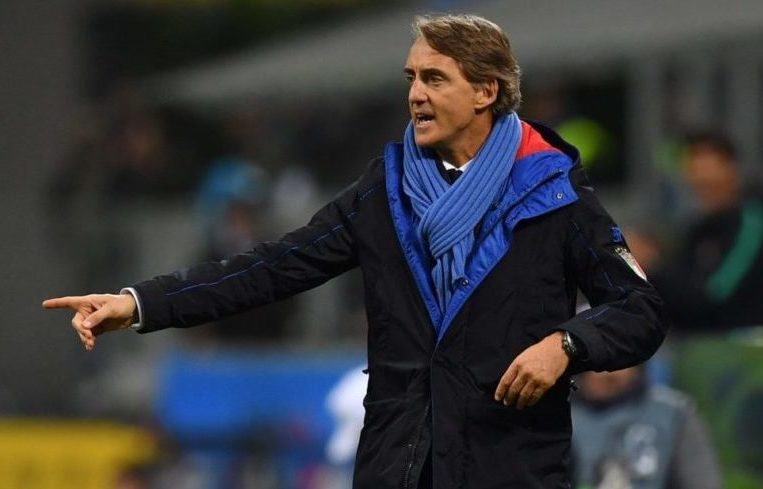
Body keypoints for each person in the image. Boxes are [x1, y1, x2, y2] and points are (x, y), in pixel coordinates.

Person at [43, 14, 664, 488]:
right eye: (411, 79)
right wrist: (140, 303)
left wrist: (565, 346)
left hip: (511, 469)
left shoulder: (552, 192)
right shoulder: (384, 191)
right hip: (397, 466)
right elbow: (273, 267)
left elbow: (639, 310)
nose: (415, 94)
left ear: (485, 92)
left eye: (435, 79)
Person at [654, 132, 763, 331]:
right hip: (699, 346)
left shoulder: (753, 224)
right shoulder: (695, 231)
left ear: (732, 170)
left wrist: (655, 267)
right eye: (694, 172)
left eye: (709, 172)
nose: (701, 180)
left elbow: (715, 296)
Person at [571, 367, 722, 489]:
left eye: (616, 362)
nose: (606, 374)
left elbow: (702, 483)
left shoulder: (673, 414)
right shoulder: (563, 415)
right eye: (597, 363)